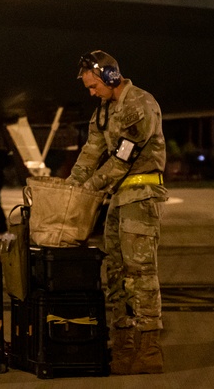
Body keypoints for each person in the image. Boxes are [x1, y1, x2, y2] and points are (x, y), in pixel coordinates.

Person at [64, 50, 167, 375]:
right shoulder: (104, 111)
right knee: (116, 272)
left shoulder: (139, 105)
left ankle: (148, 350)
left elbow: (123, 158)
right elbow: (91, 150)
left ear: (110, 77)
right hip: (119, 198)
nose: (91, 93)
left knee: (141, 273)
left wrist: (88, 189)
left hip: (140, 195)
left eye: (94, 86)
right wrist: (69, 187)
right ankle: (124, 345)